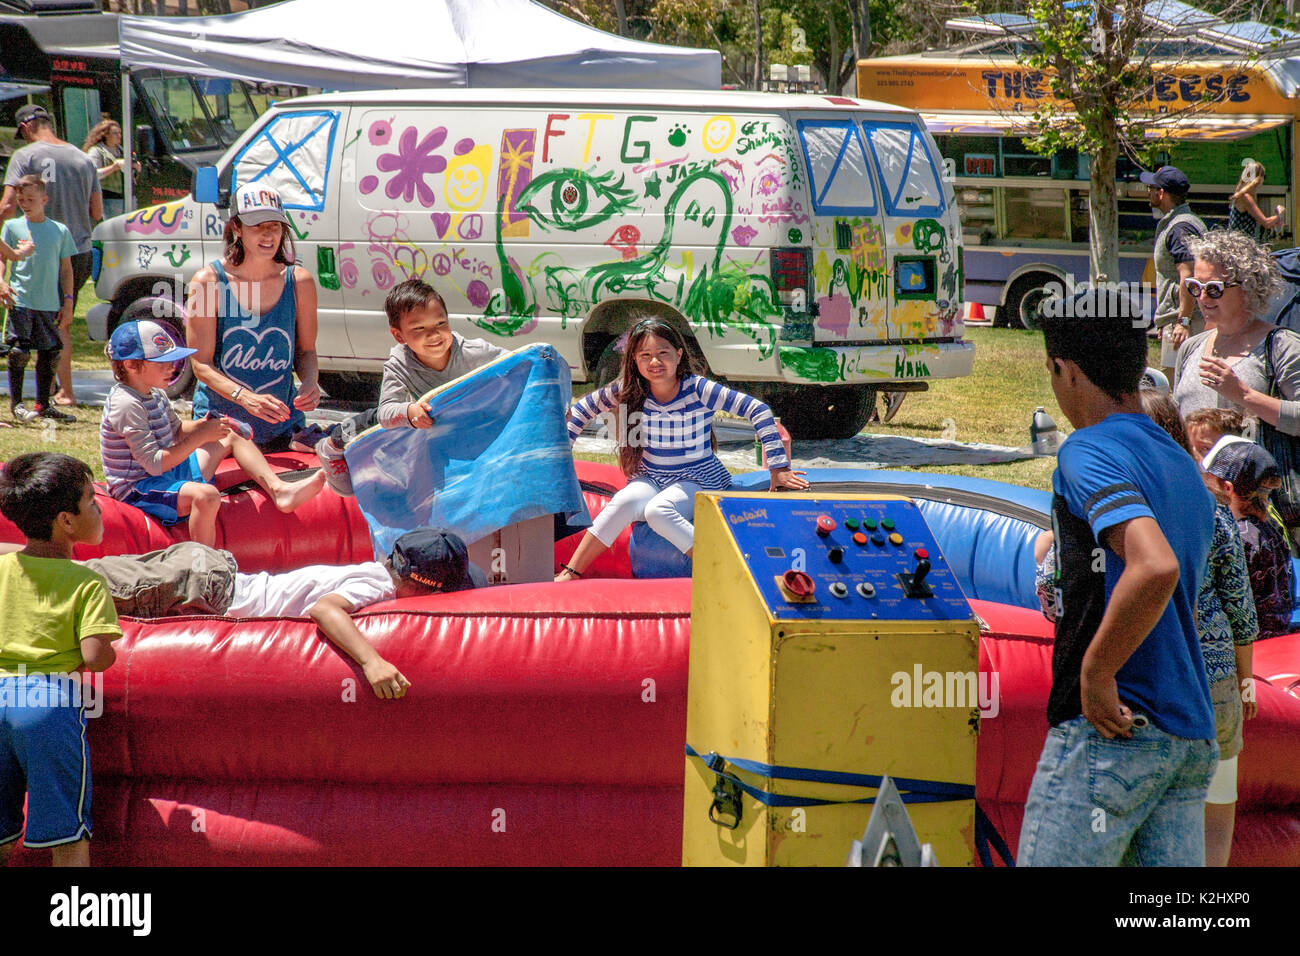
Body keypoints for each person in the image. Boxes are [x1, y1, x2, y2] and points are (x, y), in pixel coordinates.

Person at [1019, 289, 1218, 867]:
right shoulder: (1182, 463)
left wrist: (1097, 672)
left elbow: (1154, 566)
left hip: (1111, 729)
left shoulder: (1086, 450)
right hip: (1189, 736)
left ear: (1064, 369)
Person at [0, 529, 484, 701]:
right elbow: (325, 610)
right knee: (83, 580)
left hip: (211, 571)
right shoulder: (377, 586)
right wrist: (372, 661)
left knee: (84, 571)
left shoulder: (374, 568)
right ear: (419, 585)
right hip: (208, 589)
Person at [556, 317, 809, 581]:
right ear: (634, 360)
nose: (655, 362)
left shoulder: (698, 388)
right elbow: (580, 412)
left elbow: (757, 409)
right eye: (645, 355)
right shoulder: (630, 389)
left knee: (658, 511)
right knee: (622, 501)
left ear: (678, 354)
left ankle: (727, 566)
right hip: (652, 476)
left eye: (662, 353)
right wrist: (562, 462)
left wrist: (779, 468)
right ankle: (571, 572)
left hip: (697, 477)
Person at [100, 319, 325, 547]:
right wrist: (200, 437)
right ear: (130, 365)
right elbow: (154, 464)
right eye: (162, 363)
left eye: (172, 360)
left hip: (166, 474)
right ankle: (205, 563)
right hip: (139, 489)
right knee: (206, 496)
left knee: (229, 433)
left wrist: (207, 425)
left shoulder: (154, 394)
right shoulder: (126, 405)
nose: (172, 368)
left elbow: (177, 431)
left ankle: (280, 492)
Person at [0, 453, 121, 867]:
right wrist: (110, 649)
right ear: (66, 521)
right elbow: (95, 657)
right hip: (46, 705)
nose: (100, 507)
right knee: (67, 837)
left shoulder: (1, 568)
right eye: (91, 500)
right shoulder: (86, 582)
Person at [313, 278, 507, 496]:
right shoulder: (400, 364)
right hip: (411, 416)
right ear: (399, 335)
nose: (434, 335)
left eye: (440, 324)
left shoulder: (473, 351)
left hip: (449, 424)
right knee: (378, 419)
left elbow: (518, 364)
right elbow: (387, 411)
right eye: (419, 328)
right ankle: (332, 445)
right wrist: (409, 412)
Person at [1171, 229, 1300, 547]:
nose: (1201, 298)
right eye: (1195, 287)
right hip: (1198, 513)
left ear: (1249, 288)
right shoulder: (1191, 348)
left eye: (1214, 289)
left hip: (1264, 519)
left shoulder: (1280, 346)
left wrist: (1244, 395)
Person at [186, 183, 325, 453]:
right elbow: (200, 364)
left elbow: (306, 351)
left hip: (283, 428)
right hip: (221, 428)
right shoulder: (206, 281)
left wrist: (310, 383)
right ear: (236, 228)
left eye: (275, 225)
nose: (268, 234)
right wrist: (245, 398)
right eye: (256, 225)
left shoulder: (300, 281)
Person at [0, 104, 103, 408]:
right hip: (78, 250)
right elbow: (96, 211)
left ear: (27, 126)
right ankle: (64, 392)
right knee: (61, 321)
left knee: (25, 320)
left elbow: (8, 205)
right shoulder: (84, 159)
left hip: (36, 251)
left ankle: (41, 393)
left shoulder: (25, 156)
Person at [1202, 436, 1296, 641]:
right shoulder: (1271, 529)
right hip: (1280, 639)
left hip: (1251, 647)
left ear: (1227, 487)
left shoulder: (1235, 537)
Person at [2, 175, 77, 424]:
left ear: (44, 199)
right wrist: (1, 282)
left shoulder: (59, 230)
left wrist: (68, 301)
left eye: (31, 199)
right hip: (20, 300)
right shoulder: (12, 227)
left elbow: (66, 269)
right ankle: (17, 405)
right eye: (21, 200)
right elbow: (3, 257)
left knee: (51, 352)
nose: (25, 203)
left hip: (49, 304)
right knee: (19, 352)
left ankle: (43, 405)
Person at [1143, 166, 1205, 380]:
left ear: (1161, 193)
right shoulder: (1185, 221)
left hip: (1188, 322)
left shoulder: (1180, 228)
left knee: (1173, 385)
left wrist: (1182, 321)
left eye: (1150, 188)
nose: (1148, 192)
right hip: (1181, 318)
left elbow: (1188, 275)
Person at [82, 120, 134, 219]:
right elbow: (93, 174)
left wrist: (135, 167)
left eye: (120, 133)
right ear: (106, 135)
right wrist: (113, 168)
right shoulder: (96, 151)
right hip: (109, 199)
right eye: (115, 133)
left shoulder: (122, 150)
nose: (119, 136)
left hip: (127, 198)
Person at [1227, 160, 1285, 245]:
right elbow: (1266, 223)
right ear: (1259, 178)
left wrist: (1275, 220)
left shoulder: (1242, 195)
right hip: (1239, 247)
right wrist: (1279, 213)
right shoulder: (1246, 198)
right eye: (1264, 176)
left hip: (1237, 244)